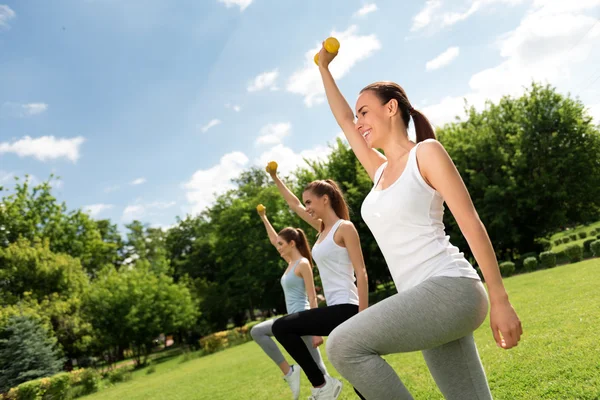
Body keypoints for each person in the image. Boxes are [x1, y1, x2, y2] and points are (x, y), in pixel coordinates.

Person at [316, 43, 523, 399]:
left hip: (450, 289)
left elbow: (471, 223)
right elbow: (344, 122)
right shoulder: (380, 171)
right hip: (423, 300)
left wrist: (500, 299)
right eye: (358, 115)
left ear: (391, 107)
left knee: (342, 345)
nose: (359, 121)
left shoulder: (425, 153)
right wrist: (323, 68)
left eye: (365, 112)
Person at [267, 163, 369, 400]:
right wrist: (274, 177)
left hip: (349, 308)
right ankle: (330, 386)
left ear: (325, 199)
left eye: (310, 202)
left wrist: (364, 317)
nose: (307, 207)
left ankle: (322, 385)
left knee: (282, 327)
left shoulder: (345, 228)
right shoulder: (321, 231)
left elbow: (361, 273)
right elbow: (293, 204)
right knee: (359, 377)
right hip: (334, 309)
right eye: (306, 203)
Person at [251, 206, 328, 400]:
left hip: (303, 319)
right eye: (278, 245)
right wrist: (264, 217)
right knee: (258, 331)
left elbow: (312, 296)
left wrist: (316, 329)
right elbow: (273, 238)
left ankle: (326, 392)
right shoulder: (289, 264)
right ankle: (289, 371)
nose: (278, 248)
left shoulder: (302, 264)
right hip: (290, 320)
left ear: (292, 244)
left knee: (317, 366)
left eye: (281, 245)